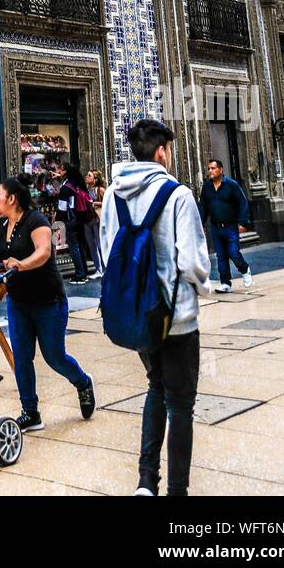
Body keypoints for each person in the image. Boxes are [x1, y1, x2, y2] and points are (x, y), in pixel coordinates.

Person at [100, 119, 211, 498]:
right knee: (181, 405)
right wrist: (205, 288)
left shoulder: (112, 196)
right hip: (176, 317)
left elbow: (105, 251)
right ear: (162, 151)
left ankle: (146, 481)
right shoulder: (178, 194)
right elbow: (193, 263)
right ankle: (177, 491)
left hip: (139, 317)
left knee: (155, 386)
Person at [0, 175, 96, 433]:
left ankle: (83, 383)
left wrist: (21, 263)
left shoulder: (36, 220)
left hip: (48, 300)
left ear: (12, 198)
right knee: (22, 357)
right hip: (19, 302)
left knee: (54, 356)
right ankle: (30, 412)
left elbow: (43, 252)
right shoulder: (0, 225)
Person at [198, 159, 253, 293]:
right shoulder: (206, 187)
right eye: (209, 168)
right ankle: (225, 283)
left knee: (233, 252)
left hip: (230, 226)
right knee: (221, 256)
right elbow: (203, 207)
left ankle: (244, 269)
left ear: (221, 170)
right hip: (215, 227)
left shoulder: (231, 185)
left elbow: (242, 202)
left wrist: (243, 222)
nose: (210, 171)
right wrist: (200, 225)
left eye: (213, 168)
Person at [54, 158, 92, 283]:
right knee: (79, 244)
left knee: (73, 246)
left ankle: (80, 274)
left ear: (64, 171)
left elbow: (62, 208)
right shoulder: (75, 183)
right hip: (78, 217)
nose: (58, 171)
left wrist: (57, 222)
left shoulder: (65, 188)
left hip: (69, 220)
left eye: (60, 169)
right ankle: (84, 271)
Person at [83, 169, 106, 276]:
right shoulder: (85, 190)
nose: (86, 177)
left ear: (95, 179)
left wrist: (95, 203)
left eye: (89, 175)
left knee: (100, 244)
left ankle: (106, 268)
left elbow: (108, 202)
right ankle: (98, 269)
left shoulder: (100, 190)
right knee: (91, 245)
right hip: (87, 219)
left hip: (97, 219)